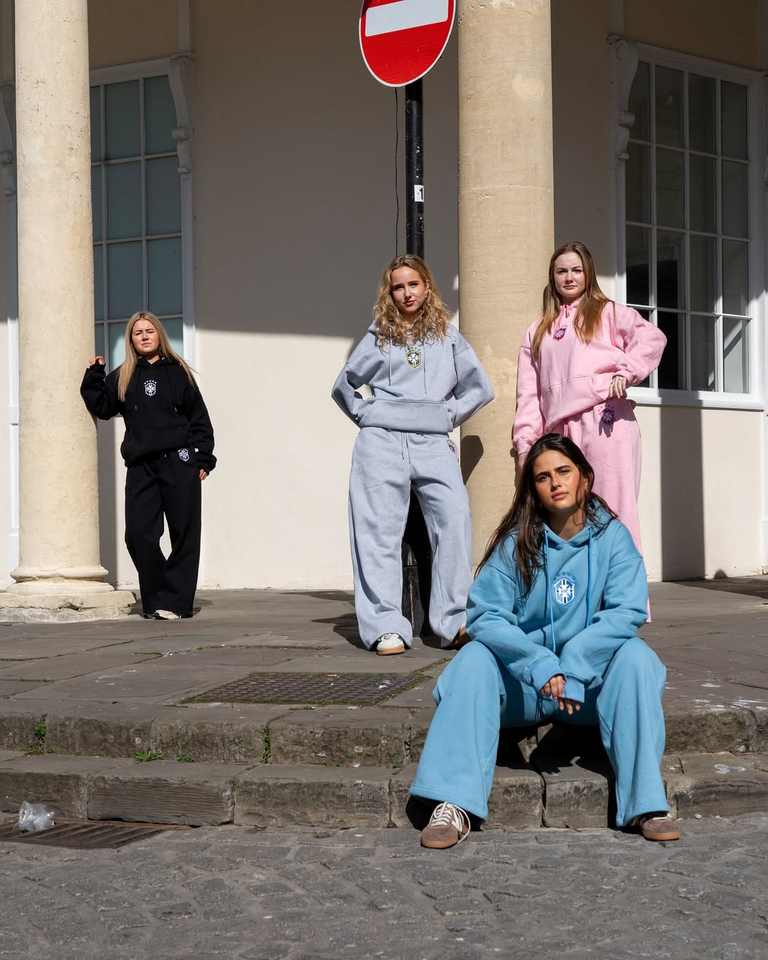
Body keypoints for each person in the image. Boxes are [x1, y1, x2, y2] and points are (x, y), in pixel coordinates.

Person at [410, 433, 679, 848]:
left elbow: (626, 610)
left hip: (587, 689)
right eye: (542, 477)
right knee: (471, 660)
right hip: (527, 687)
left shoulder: (613, 539)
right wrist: (539, 664)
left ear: (585, 477)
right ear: (532, 488)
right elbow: (485, 615)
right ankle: (453, 802)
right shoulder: (517, 541)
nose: (555, 482)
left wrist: (575, 664)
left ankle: (646, 803)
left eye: (563, 471)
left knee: (637, 659)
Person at [332, 255, 494, 655]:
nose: (406, 293)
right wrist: (369, 414)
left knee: (454, 520)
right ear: (389, 293)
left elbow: (480, 388)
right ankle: (385, 626)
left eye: (413, 284)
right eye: (398, 287)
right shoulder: (378, 336)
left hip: (432, 441)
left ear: (427, 287)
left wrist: (447, 415)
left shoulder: (449, 337)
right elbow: (344, 385)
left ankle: (453, 622)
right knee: (377, 531)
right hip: (381, 442)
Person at [513, 241, 666, 551]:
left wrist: (626, 372)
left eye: (576, 270)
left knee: (613, 512)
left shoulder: (609, 312)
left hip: (604, 421)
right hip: (560, 432)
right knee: (565, 517)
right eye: (561, 271)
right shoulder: (537, 331)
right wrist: (525, 445)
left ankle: (624, 583)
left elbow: (651, 338)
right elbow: (529, 395)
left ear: (588, 273)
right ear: (552, 276)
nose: (569, 277)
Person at [80, 311, 216, 620]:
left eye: (149, 330)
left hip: (180, 462)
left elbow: (199, 419)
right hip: (141, 466)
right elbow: (102, 406)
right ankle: (158, 596)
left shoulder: (179, 372)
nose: (144, 336)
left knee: (184, 533)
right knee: (138, 535)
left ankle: (176, 603)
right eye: (137, 332)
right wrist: (94, 374)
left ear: (159, 335)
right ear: (131, 340)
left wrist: (203, 457)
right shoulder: (124, 375)